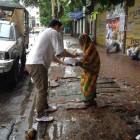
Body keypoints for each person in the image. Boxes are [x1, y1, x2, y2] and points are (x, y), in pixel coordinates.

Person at [26, 19, 78, 122]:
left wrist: (64, 63)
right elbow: (61, 52)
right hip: (37, 64)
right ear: (56, 26)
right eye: (60, 28)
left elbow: (53, 56)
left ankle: (45, 107)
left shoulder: (45, 32)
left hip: (36, 63)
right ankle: (40, 116)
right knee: (42, 89)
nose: (60, 31)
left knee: (44, 87)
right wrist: (74, 56)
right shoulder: (53, 32)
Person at [75, 33, 100, 106]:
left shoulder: (90, 47)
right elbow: (84, 56)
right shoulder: (86, 46)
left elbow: (86, 58)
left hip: (93, 68)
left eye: (81, 41)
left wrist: (78, 62)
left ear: (85, 40)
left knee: (89, 84)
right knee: (86, 82)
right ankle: (89, 99)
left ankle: (89, 100)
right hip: (88, 68)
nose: (80, 43)